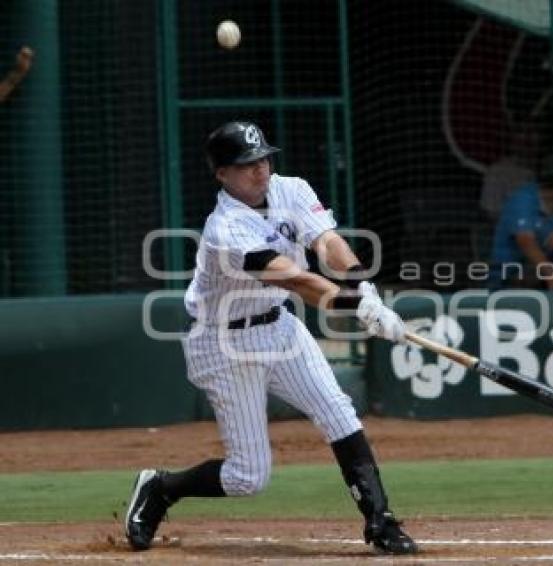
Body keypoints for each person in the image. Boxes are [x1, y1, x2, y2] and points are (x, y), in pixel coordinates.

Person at [124, 121, 417, 555]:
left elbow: (328, 242)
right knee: (248, 478)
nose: (260, 170)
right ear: (222, 174)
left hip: (278, 327)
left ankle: (381, 520)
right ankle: (162, 488)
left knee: (337, 412)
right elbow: (296, 279)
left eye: (263, 158)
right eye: (246, 165)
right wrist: (355, 308)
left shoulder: (291, 189)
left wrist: (363, 288)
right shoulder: (224, 230)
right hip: (223, 344)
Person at [488, 167, 553, 290]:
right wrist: (551, 275)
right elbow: (525, 241)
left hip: (540, 273)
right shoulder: (524, 198)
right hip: (508, 276)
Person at [479, 122, 540, 222]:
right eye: (521, 134)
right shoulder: (498, 172)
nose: (527, 140)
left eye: (532, 134)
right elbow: (491, 213)